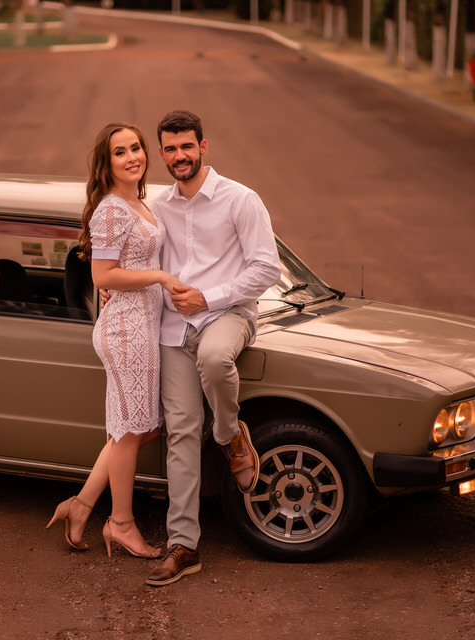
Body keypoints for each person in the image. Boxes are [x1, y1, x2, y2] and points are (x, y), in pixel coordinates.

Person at [145, 110, 281, 587]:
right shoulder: (157, 207)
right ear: (161, 154)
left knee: (214, 358)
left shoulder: (240, 199)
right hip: (172, 330)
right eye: (170, 148)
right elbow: (140, 261)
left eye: (188, 146)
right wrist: (109, 285)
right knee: (181, 433)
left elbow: (268, 268)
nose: (180, 156)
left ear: (204, 147)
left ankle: (230, 437)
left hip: (227, 316)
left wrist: (211, 297)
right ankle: (183, 546)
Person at [47, 122, 182, 559]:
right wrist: (159, 277)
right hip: (125, 330)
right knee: (130, 431)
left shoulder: (140, 202)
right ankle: (121, 523)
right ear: (108, 163)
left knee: (142, 428)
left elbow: (124, 264)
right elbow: (103, 276)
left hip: (146, 326)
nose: (132, 157)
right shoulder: (110, 209)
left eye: (137, 148)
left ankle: (81, 505)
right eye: (120, 152)